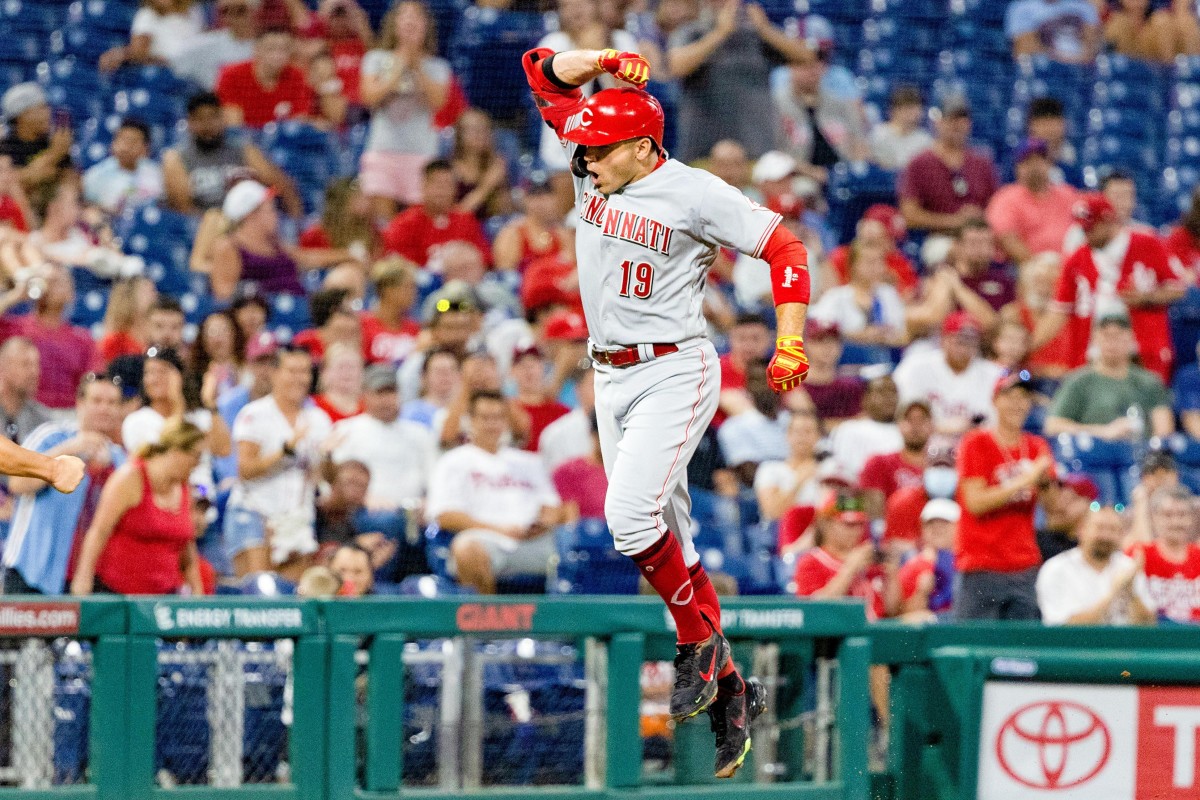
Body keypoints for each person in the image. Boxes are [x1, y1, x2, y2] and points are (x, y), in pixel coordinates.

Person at [524, 42, 813, 776]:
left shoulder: (694, 192)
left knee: (628, 520)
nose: (585, 160)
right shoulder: (594, 159)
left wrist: (789, 338)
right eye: (584, 147)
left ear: (643, 148)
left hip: (673, 369)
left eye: (600, 150)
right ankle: (732, 690)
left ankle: (696, 646)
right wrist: (601, 57)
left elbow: (786, 249)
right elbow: (538, 69)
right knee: (671, 544)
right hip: (608, 378)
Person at [1035, 193, 1185, 382]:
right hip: (1093, 356)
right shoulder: (1077, 260)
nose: (1086, 235)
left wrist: (1147, 298)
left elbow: (1178, 288)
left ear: (1108, 221)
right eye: (1083, 229)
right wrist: (1030, 347)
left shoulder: (1147, 244)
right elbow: (1059, 311)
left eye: (1091, 228)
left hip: (1142, 352)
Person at [427, 390, 563, 590]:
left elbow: (552, 507)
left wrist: (542, 524)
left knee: (574, 549)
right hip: (484, 540)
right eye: (485, 418)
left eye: (498, 418)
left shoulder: (529, 461)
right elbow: (445, 515)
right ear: (470, 420)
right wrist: (500, 530)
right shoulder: (453, 461)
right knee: (466, 549)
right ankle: (488, 610)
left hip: (531, 541)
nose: (492, 424)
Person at [1, 375, 123, 594]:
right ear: (80, 403)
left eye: (112, 403)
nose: (104, 409)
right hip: (31, 570)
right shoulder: (51, 436)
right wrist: (71, 449)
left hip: (84, 579)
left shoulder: (119, 459)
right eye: (97, 401)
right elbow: (17, 483)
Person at [224, 345, 333, 579]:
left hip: (296, 519)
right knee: (259, 591)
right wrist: (285, 451)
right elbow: (245, 470)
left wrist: (329, 457)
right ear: (274, 373)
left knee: (294, 596)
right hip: (254, 513)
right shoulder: (254, 414)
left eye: (304, 372)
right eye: (292, 371)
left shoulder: (318, 419)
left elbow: (322, 478)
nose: (299, 379)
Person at [954, 371, 1054, 621]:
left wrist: (1047, 485)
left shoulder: (1036, 446)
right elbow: (975, 503)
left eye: (1024, 397)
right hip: (981, 564)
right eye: (1010, 396)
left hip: (1024, 564)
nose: (1017, 404)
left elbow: (1051, 508)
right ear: (995, 400)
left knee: (1024, 643)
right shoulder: (976, 442)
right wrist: (1028, 479)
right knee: (974, 640)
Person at [69, 419, 205, 595]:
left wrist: (197, 590)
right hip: (117, 595)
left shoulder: (183, 487)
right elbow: (99, 531)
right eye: (196, 456)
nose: (198, 464)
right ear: (176, 451)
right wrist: (83, 581)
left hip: (163, 597)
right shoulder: (129, 478)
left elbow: (186, 545)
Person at [666, 0, 806, 162]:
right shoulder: (692, 31)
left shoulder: (756, 34)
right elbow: (677, 66)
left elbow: (805, 57)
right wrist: (721, 32)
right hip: (703, 150)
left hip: (756, 148)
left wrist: (765, 29)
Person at [358, 0, 451, 218]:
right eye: (405, 15)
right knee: (383, 223)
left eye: (416, 16)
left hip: (421, 153)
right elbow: (369, 97)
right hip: (383, 151)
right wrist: (401, 63)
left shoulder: (438, 66)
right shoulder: (376, 59)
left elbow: (438, 102)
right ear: (394, 23)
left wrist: (416, 65)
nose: (411, 21)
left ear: (426, 25)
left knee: (417, 221)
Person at [210, 180, 355, 301]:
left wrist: (350, 255)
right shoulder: (229, 246)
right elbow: (224, 294)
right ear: (251, 215)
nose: (276, 215)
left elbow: (308, 258)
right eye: (270, 209)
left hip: (299, 307)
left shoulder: (275, 243)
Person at [163, 91, 302, 216]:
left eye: (213, 117)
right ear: (190, 123)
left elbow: (282, 185)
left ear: (223, 118)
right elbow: (184, 209)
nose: (207, 125)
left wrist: (296, 222)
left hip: (246, 223)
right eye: (200, 119)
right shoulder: (178, 157)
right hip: (204, 225)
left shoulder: (243, 149)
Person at [1043, 312, 1174, 440]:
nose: (1112, 343)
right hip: (1093, 451)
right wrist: (1103, 432)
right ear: (1095, 339)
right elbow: (1053, 426)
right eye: (1106, 336)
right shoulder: (1078, 381)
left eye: (1118, 336)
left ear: (1130, 338)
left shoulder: (1149, 382)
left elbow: (1164, 431)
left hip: (1140, 450)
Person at [121, 346, 232, 492]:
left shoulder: (198, 416)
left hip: (204, 493)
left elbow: (223, 449)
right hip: (164, 495)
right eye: (149, 372)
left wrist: (210, 403)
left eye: (162, 371)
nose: (155, 378)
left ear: (179, 376)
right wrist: (177, 403)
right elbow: (172, 461)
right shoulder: (136, 421)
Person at [328, 364, 436, 510]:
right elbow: (336, 479)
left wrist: (429, 502)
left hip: (414, 510)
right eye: (379, 394)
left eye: (390, 393)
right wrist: (362, 498)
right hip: (364, 509)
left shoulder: (419, 433)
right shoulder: (346, 430)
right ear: (365, 395)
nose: (386, 400)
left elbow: (433, 476)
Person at [1036, 505, 1155, 625]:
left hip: (1123, 637)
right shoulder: (1057, 570)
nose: (1106, 536)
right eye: (1100, 528)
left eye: (1113, 530)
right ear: (1082, 530)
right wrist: (1114, 593)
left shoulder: (1128, 567)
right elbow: (1065, 627)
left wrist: (1131, 592)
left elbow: (1148, 625)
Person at [893, 312, 1005, 437]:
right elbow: (901, 412)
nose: (965, 347)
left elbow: (998, 423)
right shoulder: (915, 366)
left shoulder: (994, 374)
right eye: (960, 340)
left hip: (973, 443)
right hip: (923, 442)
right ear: (943, 339)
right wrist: (938, 427)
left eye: (971, 340)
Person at [897, 96, 999, 235]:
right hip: (938, 236)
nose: (957, 125)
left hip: (979, 236)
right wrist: (953, 221)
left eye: (962, 119)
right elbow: (909, 215)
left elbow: (997, 205)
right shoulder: (919, 163)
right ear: (938, 122)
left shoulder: (982, 162)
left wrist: (978, 217)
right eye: (950, 119)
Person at [3, 264, 98, 411]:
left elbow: (90, 383)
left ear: (71, 292)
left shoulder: (82, 339)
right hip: (21, 409)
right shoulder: (16, 327)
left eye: (59, 282)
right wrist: (15, 295)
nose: (52, 286)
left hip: (67, 413)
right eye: (47, 281)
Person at [773, 49, 869, 184]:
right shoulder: (775, 105)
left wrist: (855, 171)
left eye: (816, 64)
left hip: (840, 174)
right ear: (790, 69)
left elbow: (859, 143)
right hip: (795, 176)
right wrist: (810, 172)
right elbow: (772, 154)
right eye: (804, 65)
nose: (812, 71)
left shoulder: (840, 104)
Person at [216, 27, 341, 129]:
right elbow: (234, 126)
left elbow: (299, 120)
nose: (277, 55)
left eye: (283, 49)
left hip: (283, 141)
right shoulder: (232, 75)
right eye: (271, 49)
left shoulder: (297, 76)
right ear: (256, 50)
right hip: (245, 141)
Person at [380, 160, 491, 267]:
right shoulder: (404, 224)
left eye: (447, 185)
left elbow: (484, 260)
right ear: (424, 186)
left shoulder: (466, 221)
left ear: (455, 190)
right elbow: (395, 267)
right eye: (437, 184)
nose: (442, 191)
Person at [985, 138, 1079, 265]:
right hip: (1025, 267)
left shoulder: (1067, 194)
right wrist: (1039, 266)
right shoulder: (1006, 198)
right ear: (1017, 167)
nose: (1034, 167)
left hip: (1070, 265)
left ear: (1049, 164)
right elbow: (1007, 239)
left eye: (1039, 160)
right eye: (1028, 162)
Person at [1133, 485, 1200, 623]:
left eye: (1182, 515)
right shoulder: (1139, 555)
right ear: (1154, 517)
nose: (1176, 522)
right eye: (1168, 515)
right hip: (1152, 633)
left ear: (1191, 518)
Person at [0, 83, 74, 199]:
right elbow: (14, 184)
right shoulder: (6, 147)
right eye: (41, 108)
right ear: (22, 115)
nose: (48, 113)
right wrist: (54, 154)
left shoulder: (50, 143)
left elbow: (72, 183)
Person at [825, 376, 903, 483]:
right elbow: (842, 471)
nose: (889, 396)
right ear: (865, 399)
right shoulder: (849, 430)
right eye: (881, 392)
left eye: (893, 391)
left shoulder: (907, 432)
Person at [81, 118, 164, 216]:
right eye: (122, 140)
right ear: (113, 144)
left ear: (145, 148)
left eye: (132, 142)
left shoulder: (157, 173)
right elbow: (83, 205)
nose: (125, 147)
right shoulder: (96, 175)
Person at [859, 399, 933, 510]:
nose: (916, 426)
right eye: (909, 419)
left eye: (922, 419)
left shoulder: (942, 467)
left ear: (931, 425)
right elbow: (873, 512)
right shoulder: (879, 464)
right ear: (898, 425)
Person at [493, 178, 576, 273]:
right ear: (524, 199)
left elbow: (574, 269)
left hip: (557, 281)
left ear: (555, 199)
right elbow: (505, 274)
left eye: (546, 195)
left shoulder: (563, 234)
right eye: (534, 196)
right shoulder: (513, 234)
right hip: (524, 282)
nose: (541, 202)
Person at [98, 0, 205, 73]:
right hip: (167, 74)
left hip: (196, 71)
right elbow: (138, 52)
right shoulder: (146, 15)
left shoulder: (194, 11)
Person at [753, 411, 823, 523]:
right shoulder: (769, 469)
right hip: (780, 529)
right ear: (788, 435)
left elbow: (842, 507)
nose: (802, 437)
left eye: (808, 431)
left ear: (818, 436)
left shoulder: (830, 469)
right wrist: (799, 480)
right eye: (797, 432)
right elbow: (771, 512)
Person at [897, 498, 959, 620]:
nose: (937, 528)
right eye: (931, 523)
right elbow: (902, 616)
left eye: (945, 523)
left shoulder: (969, 563)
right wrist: (922, 592)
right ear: (922, 528)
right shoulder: (912, 566)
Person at [797, 320, 865, 425]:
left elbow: (863, 423)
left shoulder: (851, 387)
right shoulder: (791, 388)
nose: (828, 347)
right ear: (804, 345)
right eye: (819, 341)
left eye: (833, 341)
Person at [1104, 0, 1200, 63]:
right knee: (1118, 24)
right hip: (1119, 24)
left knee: (1172, 22)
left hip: (1161, 27)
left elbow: (1182, 9)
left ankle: (1175, 75)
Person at [1005, 0, 1100, 63]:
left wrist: (1077, 59)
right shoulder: (1021, 8)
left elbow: (1092, 47)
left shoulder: (1084, 7)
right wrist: (1061, 58)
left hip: (1078, 72)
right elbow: (1022, 50)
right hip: (1042, 72)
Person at [1036, 472, 1099, 562]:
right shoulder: (1037, 541)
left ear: (1088, 504)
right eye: (1058, 498)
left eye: (1070, 500)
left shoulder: (1096, 548)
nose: (1059, 506)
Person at [869, 84, 933, 172]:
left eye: (917, 108)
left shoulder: (925, 139)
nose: (914, 113)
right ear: (894, 110)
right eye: (908, 108)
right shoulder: (878, 134)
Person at [97, 276, 157, 365]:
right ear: (129, 297)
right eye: (147, 291)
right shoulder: (114, 343)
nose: (155, 295)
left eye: (154, 291)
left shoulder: (158, 338)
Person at [0, 337, 50, 445]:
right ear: (3, 368)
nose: (34, 372)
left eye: (36, 365)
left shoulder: (41, 419)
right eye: (26, 364)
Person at [311, 342, 365, 423]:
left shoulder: (371, 408)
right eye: (341, 367)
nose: (347, 372)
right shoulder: (311, 405)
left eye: (352, 367)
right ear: (325, 372)